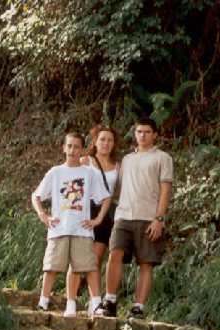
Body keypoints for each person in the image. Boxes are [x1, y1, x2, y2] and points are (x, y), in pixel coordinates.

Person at [96, 118, 173, 318]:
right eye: (139, 131)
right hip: (123, 216)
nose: (142, 135)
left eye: (147, 132)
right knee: (114, 255)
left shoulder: (162, 158)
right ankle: (110, 301)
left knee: (145, 263)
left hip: (148, 217)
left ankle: (138, 307)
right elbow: (115, 187)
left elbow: (166, 191)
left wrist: (159, 219)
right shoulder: (127, 160)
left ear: (155, 134)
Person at [32, 132, 112, 317]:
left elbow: (105, 197)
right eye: (69, 146)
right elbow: (36, 196)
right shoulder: (56, 172)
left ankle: (96, 304)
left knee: (88, 266)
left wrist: (98, 219)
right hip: (59, 228)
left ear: (82, 149)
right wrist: (43, 214)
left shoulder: (90, 173)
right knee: (51, 266)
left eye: (76, 147)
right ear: (63, 147)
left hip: (82, 229)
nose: (72, 150)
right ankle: (43, 302)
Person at [81, 124, 119, 315]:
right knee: (82, 259)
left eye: (110, 140)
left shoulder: (117, 166)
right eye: (102, 139)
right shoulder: (85, 161)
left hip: (105, 214)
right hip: (86, 211)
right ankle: (89, 299)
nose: (106, 143)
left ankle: (93, 302)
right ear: (95, 141)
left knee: (95, 260)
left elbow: (116, 193)